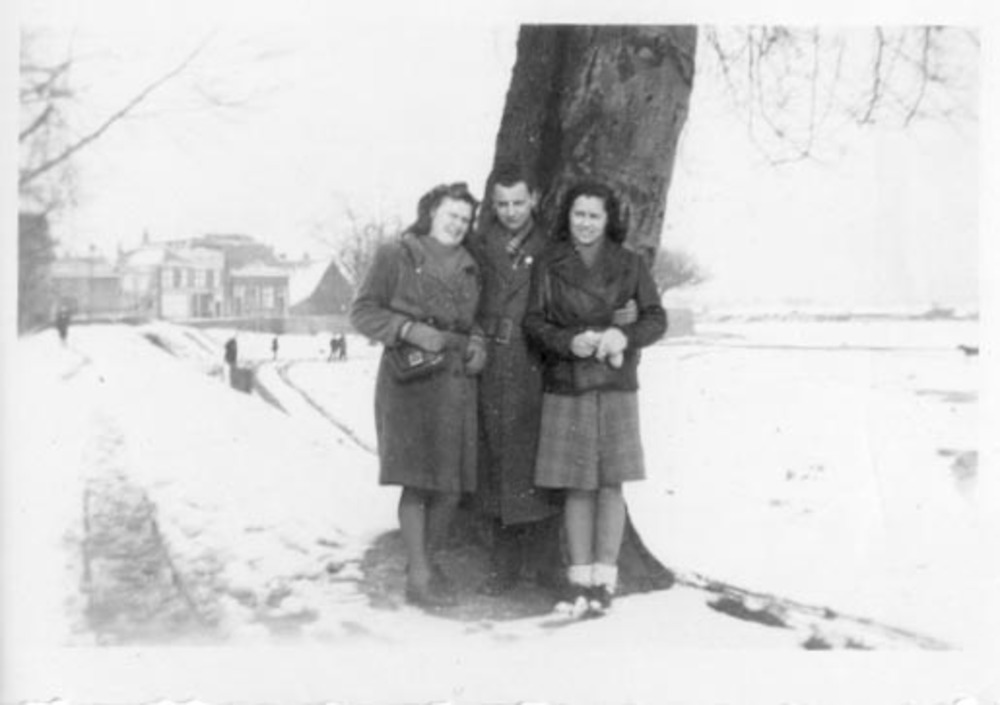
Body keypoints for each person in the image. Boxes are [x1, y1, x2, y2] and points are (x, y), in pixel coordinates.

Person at [523, 180, 666, 616]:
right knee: (577, 485)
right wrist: (568, 341)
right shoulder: (548, 263)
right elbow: (534, 322)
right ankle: (579, 581)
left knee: (610, 484)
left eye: (593, 216)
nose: (585, 223)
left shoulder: (630, 263)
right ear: (568, 217)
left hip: (615, 383)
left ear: (608, 220)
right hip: (569, 381)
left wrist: (623, 334)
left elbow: (656, 319)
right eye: (578, 214)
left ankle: (605, 581)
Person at [350, 182, 487, 609]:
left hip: (455, 382)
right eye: (451, 215)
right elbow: (363, 311)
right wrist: (407, 329)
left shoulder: (471, 265)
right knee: (417, 480)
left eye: (465, 219)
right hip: (409, 381)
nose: (458, 225)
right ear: (430, 213)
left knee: (451, 486)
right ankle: (421, 576)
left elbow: (475, 319)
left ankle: (424, 562)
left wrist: (478, 342)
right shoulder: (397, 254)